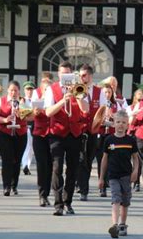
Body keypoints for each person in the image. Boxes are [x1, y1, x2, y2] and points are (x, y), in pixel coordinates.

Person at [44, 61, 89, 216]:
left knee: (72, 170)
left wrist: (77, 96)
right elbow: (48, 112)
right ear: (59, 74)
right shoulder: (52, 89)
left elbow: (86, 110)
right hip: (57, 133)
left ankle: (67, 201)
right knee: (57, 168)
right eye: (63, 73)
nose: (65, 76)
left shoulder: (79, 87)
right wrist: (63, 100)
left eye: (68, 73)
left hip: (74, 134)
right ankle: (58, 204)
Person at [99, 109, 139, 238]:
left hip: (126, 175)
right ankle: (114, 225)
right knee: (116, 198)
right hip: (113, 175)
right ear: (113, 124)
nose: (121, 125)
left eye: (123, 122)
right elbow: (104, 159)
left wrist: (135, 172)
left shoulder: (131, 141)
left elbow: (135, 158)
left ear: (127, 124)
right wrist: (101, 178)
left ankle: (123, 224)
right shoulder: (109, 140)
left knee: (125, 201)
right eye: (118, 122)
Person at [0, 80, 31, 196]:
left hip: (20, 133)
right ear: (8, 90)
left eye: (16, 90)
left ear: (19, 91)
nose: (13, 93)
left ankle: (14, 185)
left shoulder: (23, 101)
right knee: (7, 160)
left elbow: (30, 117)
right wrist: (5, 120)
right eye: (11, 90)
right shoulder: (0, 101)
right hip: (4, 133)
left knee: (17, 160)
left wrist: (21, 114)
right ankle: (6, 186)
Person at [76, 64, 108, 201]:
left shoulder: (98, 91)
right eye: (80, 75)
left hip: (93, 131)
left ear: (90, 76)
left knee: (88, 159)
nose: (82, 78)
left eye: (84, 75)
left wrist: (97, 123)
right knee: (81, 159)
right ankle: (83, 189)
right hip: (78, 129)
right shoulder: (77, 89)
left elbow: (103, 109)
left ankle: (83, 184)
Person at [32, 77, 53, 207]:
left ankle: (47, 192)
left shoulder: (54, 97)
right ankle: (42, 194)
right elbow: (32, 113)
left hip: (52, 133)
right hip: (39, 134)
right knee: (41, 164)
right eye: (45, 88)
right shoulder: (36, 94)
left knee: (51, 165)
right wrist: (36, 111)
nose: (46, 91)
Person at [21, 81, 36, 175]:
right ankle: (24, 165)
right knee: (27, 146)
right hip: (26, 125)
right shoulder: (22, 100)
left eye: (31, 89)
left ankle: (28, 165)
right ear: (24, 90)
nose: (29, 91)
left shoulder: (36, 100)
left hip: (35, 125)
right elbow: (24, 114)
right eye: (27, 89)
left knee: (32, 148)